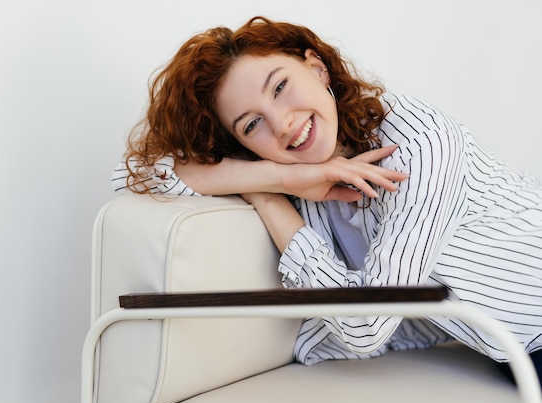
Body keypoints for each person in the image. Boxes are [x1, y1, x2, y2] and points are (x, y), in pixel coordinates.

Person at [111, 16, 542, 382]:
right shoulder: (299, 177)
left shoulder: (417, 144)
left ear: (317, 68)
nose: (280, 125)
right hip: (517, 354)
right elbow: (142, 176)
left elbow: (366, 325)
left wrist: (268, 199)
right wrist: (276, 178)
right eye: (250, 124)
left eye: (279, 87)